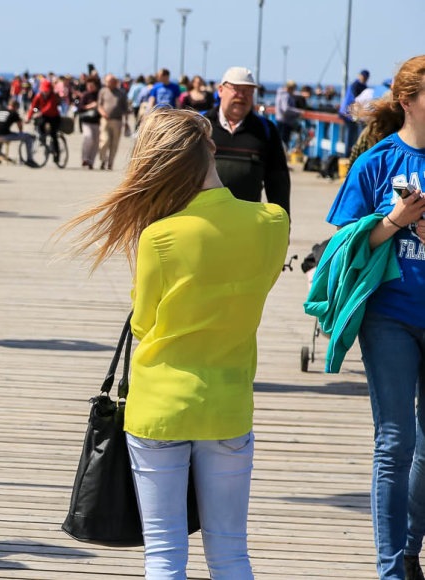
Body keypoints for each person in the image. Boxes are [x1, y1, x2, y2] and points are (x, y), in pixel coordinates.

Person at [62, 107, 289, 578]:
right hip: (228, 404)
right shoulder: (271, 222)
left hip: (159, 407)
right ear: (211, 149)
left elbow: (144, 325)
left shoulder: (159, 236)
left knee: (164, 555)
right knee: (230, 552)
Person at [324, 55, 425, 580]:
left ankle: (409, 549)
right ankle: (392, 570)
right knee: (394, 441)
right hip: (390, 313)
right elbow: (343, 242)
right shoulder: (377, 161)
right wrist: (395, 220)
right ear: (407, 101)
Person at [206, 66, 291, 217]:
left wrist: (283, 221)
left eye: (248, 91)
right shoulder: (200, 125)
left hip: (247, 222)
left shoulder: (266, 130)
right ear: (220, 90)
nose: (241, 96)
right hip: (204, 220)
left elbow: (278, 181)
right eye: (236, 89)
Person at [97, 73, 131, 171]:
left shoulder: (121, 93)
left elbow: (126, 109)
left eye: (110, 81)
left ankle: (110, 163)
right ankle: (103, 158)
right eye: (106, 81)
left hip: (117, 121)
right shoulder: (103, 91)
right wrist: (103, 113)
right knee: (104, 141)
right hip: (105, 120)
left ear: (115, 83)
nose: (108, 83)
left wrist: (126, 122)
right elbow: (99, 105)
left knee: (114, 143)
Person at [0, 99, 36, 166]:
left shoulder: (1, 111)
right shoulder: (13, 113)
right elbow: (19, 125)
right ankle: (30, 160)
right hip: (4, 136)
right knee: (28, 137)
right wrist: (21, 133)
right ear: (15, 106)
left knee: (1, 132)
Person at [27, 79, 63, 162]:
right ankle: (42, 141)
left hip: (54, 116)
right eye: (43, 90)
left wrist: (41, 112)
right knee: (40, 126)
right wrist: (28, 117)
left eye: (46, 90)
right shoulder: (39, 96)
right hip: (44, 116)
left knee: (53, 135)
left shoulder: (53, 96)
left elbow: (50, 107)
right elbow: (33, 107)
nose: (45, 92)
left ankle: (56, 155)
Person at [340, 69, 370, 156]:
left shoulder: (358, 85)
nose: (364, 79)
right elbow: (357, 99)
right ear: (359, 76)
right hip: (349, 113)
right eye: (363, 77)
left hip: (350, 113)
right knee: (350, 136)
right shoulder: (356, 85)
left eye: (365, 77)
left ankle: (349, 155)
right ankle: (346, 156)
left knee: (352, 136)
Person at [76, 77, 101, 168]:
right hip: (86, 121)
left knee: (96, 142)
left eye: (92, 86)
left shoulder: (99, 95)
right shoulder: (85, 95)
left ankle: (91, 161)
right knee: (88, 138)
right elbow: (80, 108)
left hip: (97, 122)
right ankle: (85, 158)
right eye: (88, 86)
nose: (90, 87)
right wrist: (90, 106)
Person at [275, 80, 305, 149]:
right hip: (285, 122)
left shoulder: (280, 93)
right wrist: (298, 112)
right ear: (290, 88)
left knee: (280, 142)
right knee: (283, 143)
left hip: (281, 120)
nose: (294, 91)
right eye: (293, 89)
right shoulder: (286, 95)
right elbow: (285, 109)